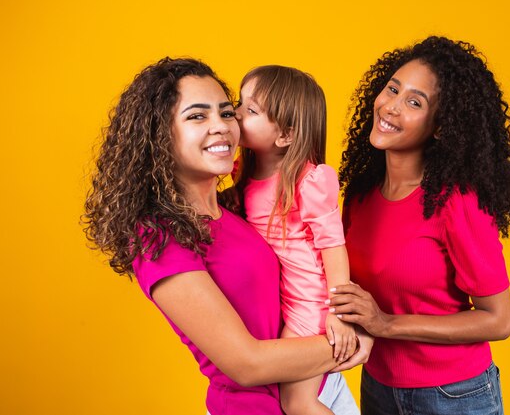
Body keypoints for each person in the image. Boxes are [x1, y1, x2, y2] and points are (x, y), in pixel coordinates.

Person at [82, 57, 370, 415]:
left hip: (322, 383)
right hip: (259, 405)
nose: (221, 126)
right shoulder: (158, 238)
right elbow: (246, 364)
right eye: (197, 116)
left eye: (226, 112)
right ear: (159, 135)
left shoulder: (235, 206)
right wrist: (359, 338)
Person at [329, 36, 510, 415]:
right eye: (393, 89)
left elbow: (499, 321)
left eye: (414, 102)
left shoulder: (456, 202)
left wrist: (387, 324)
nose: (391, 107)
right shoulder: (361, 194)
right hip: (377, 385)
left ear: (440, 127)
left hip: (453, 395)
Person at [232, 65, 357, 415]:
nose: (237, 114)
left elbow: (333, 245)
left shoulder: (308, 180)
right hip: (286, 302)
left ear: (285, 135)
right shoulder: (244, 168)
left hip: (311, 305)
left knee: (296, 402)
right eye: (239, 104)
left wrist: (338, 312)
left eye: (251, 111)